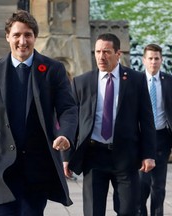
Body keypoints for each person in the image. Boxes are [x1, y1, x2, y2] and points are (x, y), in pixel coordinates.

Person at [0, 10, 77, 216]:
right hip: (0, 165)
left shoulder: (53, 69)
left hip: (37, 166)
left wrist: (65, 134)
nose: (22, 41)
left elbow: (68, 108)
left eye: (28, 35)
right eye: (17, 35)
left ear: (34, 37)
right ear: (8, 37)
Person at [66, 33, 156, 216]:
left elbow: (146, 120)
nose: (101, 56)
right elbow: (72, 121)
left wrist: (148, 154)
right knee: (93, 212)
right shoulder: (82, 82)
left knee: (128, 210)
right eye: (98, 51)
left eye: (106, 52)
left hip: (125, 157)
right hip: (93, 156)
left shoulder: (136, 80)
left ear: (118, 54)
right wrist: (66, 156)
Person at [137, 44, 172, 216]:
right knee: (141, 186)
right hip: (140, 139)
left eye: (156, 58)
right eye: (150, 58)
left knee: (158, 187)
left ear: (161, 60)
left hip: (162, 138)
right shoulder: (136, 81)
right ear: (144, 60)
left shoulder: (169, 81)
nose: (153, 62)